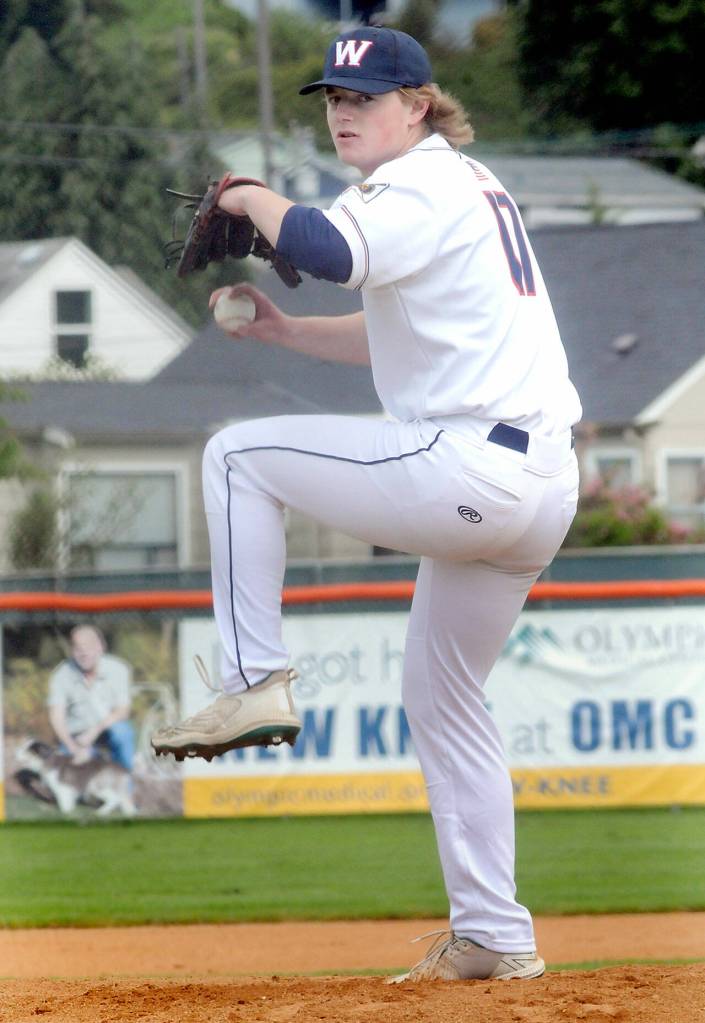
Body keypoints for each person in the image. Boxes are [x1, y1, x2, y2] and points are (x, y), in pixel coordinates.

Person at [152, 26, 581, 982]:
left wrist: (243, 191)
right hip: (535, 482)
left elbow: (321, 244)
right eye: (334, 99)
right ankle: (494, 935)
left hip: (470, 467)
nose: (343, 111)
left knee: (235, 456)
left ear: (418, 104)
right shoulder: (462, 187)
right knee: (443, 697)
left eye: (364, 96)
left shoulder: (415, 185)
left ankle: (253, 679)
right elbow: (398, 330)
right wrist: (285, 332)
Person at [48, 624, 134, 772]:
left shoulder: (119, 669)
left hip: (107, 730)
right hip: (77, 734)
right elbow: (56, 717)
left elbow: (123, 711)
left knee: (123, 733)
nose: (84, 653)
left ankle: (124, 786)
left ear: (101, 646)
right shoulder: (60, 675)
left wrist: (93, 732)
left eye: (89, 646)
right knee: (68, 764)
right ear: (72, 650)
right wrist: (73, 747)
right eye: (78, 648)